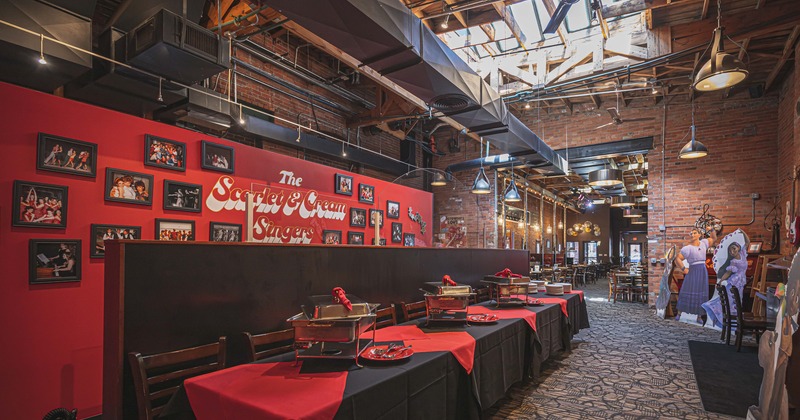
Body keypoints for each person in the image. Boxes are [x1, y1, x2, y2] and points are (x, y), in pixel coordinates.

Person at [702, 241, 749, 327]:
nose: (732, 252)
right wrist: (720, 282)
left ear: (738, 248)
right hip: (735, 281)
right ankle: (730, 323)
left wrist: (741, 231)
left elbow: (747, 242)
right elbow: (728, 273)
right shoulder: (734, 261)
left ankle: (736, 325)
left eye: (734, 249)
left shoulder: (743, 254)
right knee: (732, 301)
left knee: (738, 301)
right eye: (730, 251)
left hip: (741, 282)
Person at [675, 227, 717, 320]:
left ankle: (699, 316)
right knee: (687, 289)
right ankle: (679, 313)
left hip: (702, 270)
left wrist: (712, 230)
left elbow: (714, 238)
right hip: (693, 270)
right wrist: (683, 268)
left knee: (701, 291)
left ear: (699, 235)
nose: (693, 235)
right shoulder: (688, 248)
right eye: (691, 233)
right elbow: (677, 258)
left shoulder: (704, 243)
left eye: (695, 233)